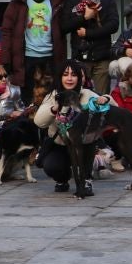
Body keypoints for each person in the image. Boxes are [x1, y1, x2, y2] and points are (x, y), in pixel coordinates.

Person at [34, 61, 102, 196]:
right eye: (65, 75)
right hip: (61, 144)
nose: (69, 78)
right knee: (51, 165)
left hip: (83, 144)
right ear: (60, 77)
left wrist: (105, 98)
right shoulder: (53, 95)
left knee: (88, 142)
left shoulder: (88, 94)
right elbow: (39, 121)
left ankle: (86, 179)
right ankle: (62, 179)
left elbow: (111, 105)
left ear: (79, 78)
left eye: (73, 75)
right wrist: (54, 109)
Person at [0, 0, 65, 98]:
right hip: (27, 59)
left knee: (50, 100)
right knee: (28, 101)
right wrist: (6, 60)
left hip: (50, 58)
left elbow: (64, 26)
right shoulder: (18, 1)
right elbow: (6, 31)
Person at [58, 0, 121, 95]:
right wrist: (85, 17)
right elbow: (64, 26)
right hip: (80, 58)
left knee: (101, 99)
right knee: (79, 97)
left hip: (101, 58)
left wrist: (88, 34)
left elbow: (114, 25)